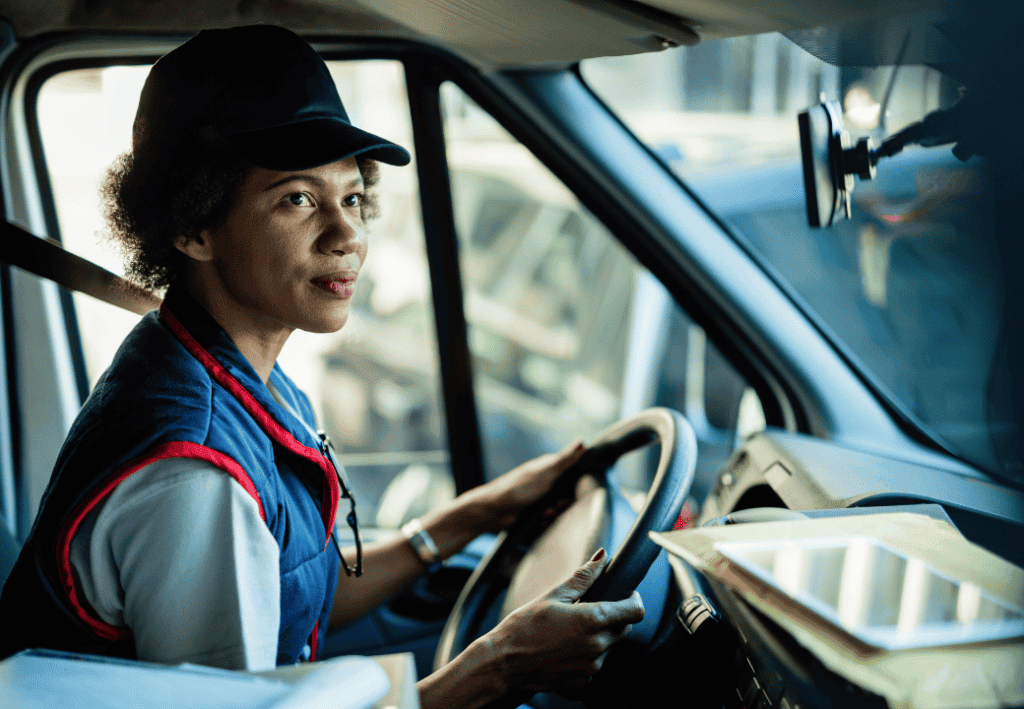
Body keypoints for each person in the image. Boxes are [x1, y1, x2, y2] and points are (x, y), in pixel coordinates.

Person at [0, 24, 643, 707]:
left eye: (353, 197)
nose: (348, 236)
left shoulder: (223, 369)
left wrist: (478, 512)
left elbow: (303, 588)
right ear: (191, 226)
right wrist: (503, 662)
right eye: (298, 199)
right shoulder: (196, 476)